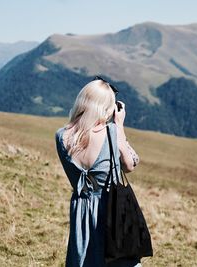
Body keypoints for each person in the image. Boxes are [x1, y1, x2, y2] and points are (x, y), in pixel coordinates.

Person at [55, 77, 142, 267]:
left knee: (86, 259)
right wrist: (119, 126)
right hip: (110, 207)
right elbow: (129, 165)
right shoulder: (111, 132)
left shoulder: (61, 136)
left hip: (81, 208)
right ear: (106, 107)